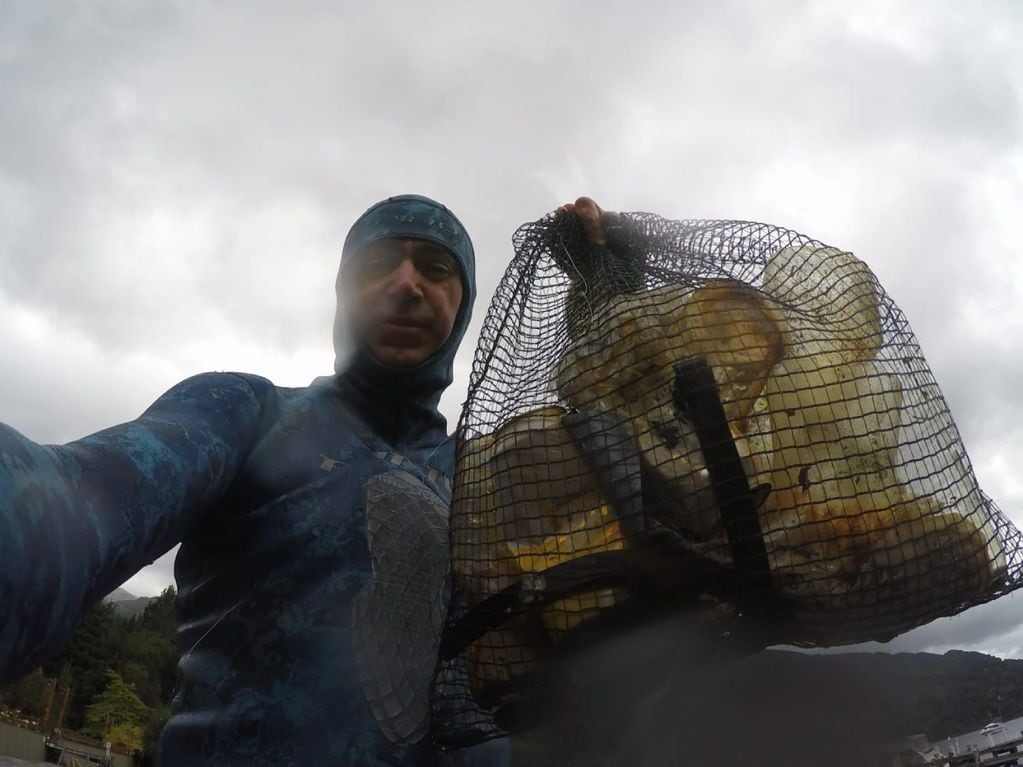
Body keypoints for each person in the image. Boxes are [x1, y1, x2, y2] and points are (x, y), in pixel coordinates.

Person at [0, 194, 513, 765]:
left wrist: (608, 290)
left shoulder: (486, 479)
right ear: (343, 295)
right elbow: (82, 499)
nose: (406, 284)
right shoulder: (247, 413)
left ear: (463, 302)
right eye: (377, 265)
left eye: (435, 269)